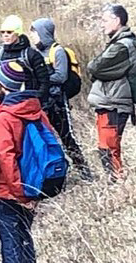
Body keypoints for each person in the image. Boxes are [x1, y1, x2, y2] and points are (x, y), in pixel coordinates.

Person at [0, 61, 52, 263]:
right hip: (34, 185)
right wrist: (33, 193)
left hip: (10, 191)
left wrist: (19, 193)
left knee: (10, 238)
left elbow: (5, 157)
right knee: (25, 235)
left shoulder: (5, 119)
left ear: (4, 87)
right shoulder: (37, 111)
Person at [29, 18, 92, 181]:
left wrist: (42, 78)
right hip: (43, 102)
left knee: (66, 137)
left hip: (57, 102)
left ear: (43, 33)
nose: (33, 37)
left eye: (34, 33)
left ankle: (84, 171)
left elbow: (61, 76)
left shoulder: (58, 52)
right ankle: (56, 174)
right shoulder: (36, 53)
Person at [86, 4, 136, 182]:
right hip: (111, 101)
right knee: (108, 148)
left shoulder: (121, 46)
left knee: (109, 148)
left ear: (117, 21)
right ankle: (116, 184)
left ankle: (118, 184)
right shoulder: (121, 43)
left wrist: (95, 71)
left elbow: (93, 67)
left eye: (104, 20)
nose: (102, 25)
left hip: (113, 103)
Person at [0, 15, 50, 104]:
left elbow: (44, 81)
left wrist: (38, 100)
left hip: (29, 101)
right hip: (4, 102)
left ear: (17, 33)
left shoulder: (31, 54)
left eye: (9, 32)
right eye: (2, 32)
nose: (5, 35)